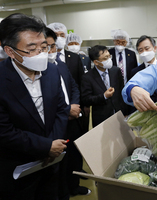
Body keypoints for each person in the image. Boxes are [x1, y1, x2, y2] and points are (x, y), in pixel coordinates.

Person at [0, 13, 69, 199]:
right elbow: (4, 131)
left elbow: (62, 109)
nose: (41, 54)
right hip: (18, 167)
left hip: (51, 163)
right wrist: (45, 146)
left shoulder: (52, 70)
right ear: (10, 51)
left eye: (44, 47)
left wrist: (53, 146)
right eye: (31, 49)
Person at [45, 28, 91, 198]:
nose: (51, 51)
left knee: (73, 155)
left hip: (73, 120)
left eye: (52, 47)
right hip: (56, 123)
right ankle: (64, 191)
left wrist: (75, 104)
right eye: (46, 47)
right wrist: (67, 110)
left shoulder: (62, 65)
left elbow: (73, 86)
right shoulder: (40, 71)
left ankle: (74, 186)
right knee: (59, 162)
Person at [81, 45, 127, 127]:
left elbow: (121, 92)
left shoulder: (115, 71)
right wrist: (104, 96)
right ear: (96, 62)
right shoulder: (87, 77)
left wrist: (125, 112)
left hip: (119, 114)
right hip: (101, 118)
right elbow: (86, 99)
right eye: (105, 58)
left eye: (109, 56)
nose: (109, 60)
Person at [131, 35, 157, 105]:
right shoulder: (135, 72)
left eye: (147, 48)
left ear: (154, 48)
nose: (144, 52)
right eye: (140, 50)